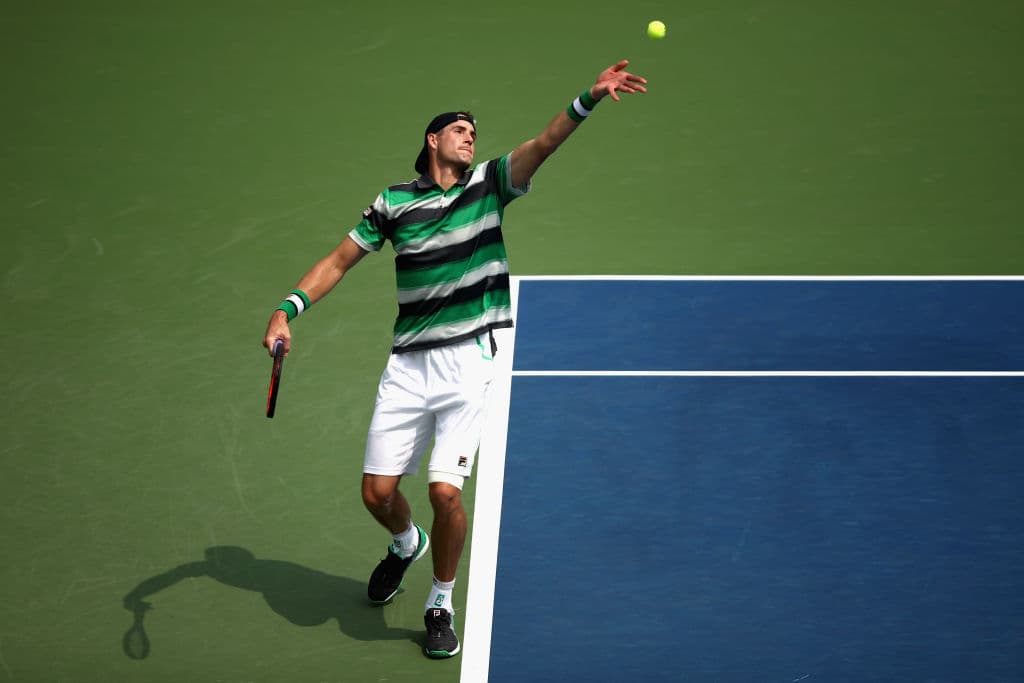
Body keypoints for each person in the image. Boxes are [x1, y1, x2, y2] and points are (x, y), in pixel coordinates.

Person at [262, 59, 648, 658]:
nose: (471, 134)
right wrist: (287, 309)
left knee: (446, 491)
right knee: (376, 494)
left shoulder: (490, 184)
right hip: (407, 365)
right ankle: (404, 543)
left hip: (469, 360)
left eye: (475, 130)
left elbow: (545, 144)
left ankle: (440, 599)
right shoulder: (393, 203)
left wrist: (588, 98)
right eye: (460, 128)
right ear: (433, 140)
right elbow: (338, 261)